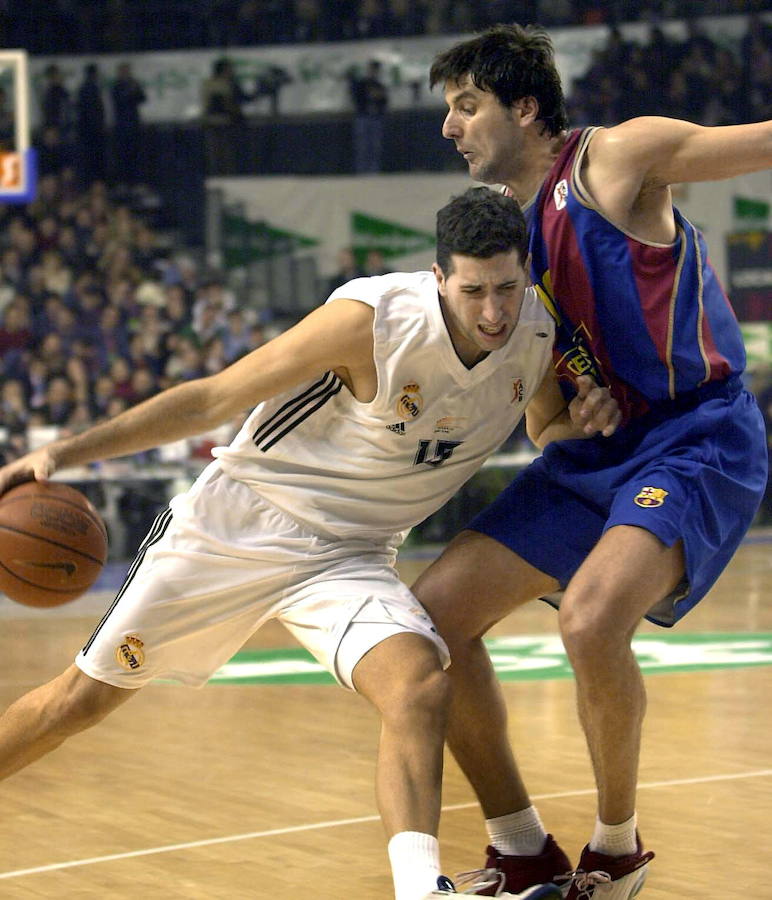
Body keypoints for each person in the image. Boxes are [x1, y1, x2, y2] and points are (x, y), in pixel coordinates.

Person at [0, 188, 619, 900]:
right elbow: (211, 399)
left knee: (420, 685)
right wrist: (65, 455)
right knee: (76, 705)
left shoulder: (535, 332)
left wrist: (587, 422)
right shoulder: (370, 320)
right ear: (438, 276)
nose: (492, 311)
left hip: (351, 556)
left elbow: (545, 427)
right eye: (473, 290)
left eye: (507, 288)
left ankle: (422, 891)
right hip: (240, 525)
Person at [415, 23, 771, 899]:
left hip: (699, 435)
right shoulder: (504, 249)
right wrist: (572, 423)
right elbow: (544, 426)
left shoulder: (616, 160)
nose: (451, 128)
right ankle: (521, 846)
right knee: (429, 623)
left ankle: (617, 853)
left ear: (524, 106)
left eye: (467, 106)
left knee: (587, 620)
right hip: (604, 453)